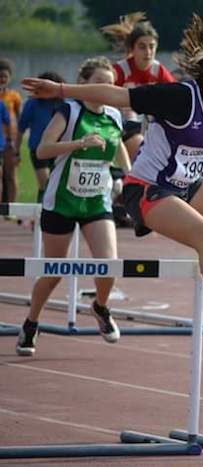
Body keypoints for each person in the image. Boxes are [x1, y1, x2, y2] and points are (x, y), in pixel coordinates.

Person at [23, 14, 203, 345]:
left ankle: (182, 222)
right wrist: (62, 89)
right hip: (147, 188)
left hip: (185, 187)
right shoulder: (179, 97)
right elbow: (117, 96)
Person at [16, 57, 132, 356]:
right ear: (85, 85)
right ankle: (31, 323)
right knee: (53, 272)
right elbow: (42, 149)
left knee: (109, 265)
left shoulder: (114, 116)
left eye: (111, 83)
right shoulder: (70, 110)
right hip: (62, 202)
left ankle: (100, 307)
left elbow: (118, 144)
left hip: (96, 200)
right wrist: (79, 144)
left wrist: (127, 175)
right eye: (100, 82)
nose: (107, 88)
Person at [101, 12, 176, 161]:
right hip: (117, 127)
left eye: (151, 47)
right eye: (142, 47)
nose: (148, 52)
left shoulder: (159, 71)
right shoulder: (119, 71)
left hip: (148, 128)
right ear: (132, 49)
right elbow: (102, 98)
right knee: (140, 146)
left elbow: (177, 98)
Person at [18, 72, 66, 203]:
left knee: (59, 184)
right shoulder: (32, 103)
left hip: (60, 149)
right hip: (38, 149)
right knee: (45, 183)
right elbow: (21, 128)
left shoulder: (64, 104)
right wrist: (16, 150)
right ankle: (40, 212)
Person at [0, 58, 22, 206]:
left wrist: (15, 141)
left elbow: (19, 117)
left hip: (10, 139)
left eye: (5, 76)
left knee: (10, 175)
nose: (2, 79)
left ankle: (12, 208)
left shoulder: (14, 96)